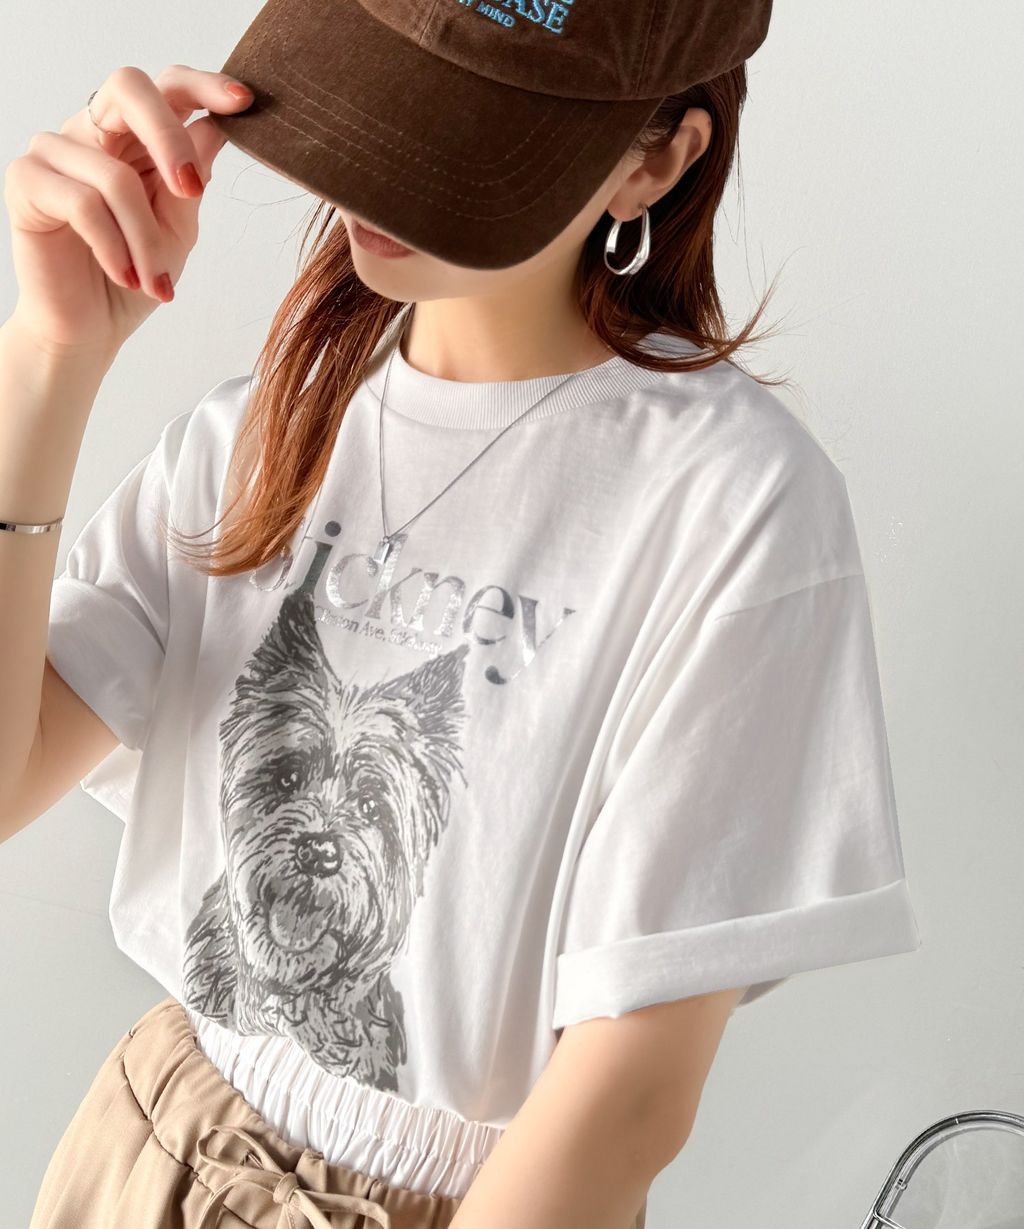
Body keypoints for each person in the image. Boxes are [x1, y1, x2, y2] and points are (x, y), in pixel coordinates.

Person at [1, 1, 921, 1226]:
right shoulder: (258, 429)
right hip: (145, 1147)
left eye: (458, 131)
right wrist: (48, 352)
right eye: (373, 89)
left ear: (653, 161)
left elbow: (626, 1100)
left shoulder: (732, 504)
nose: (375, 169)